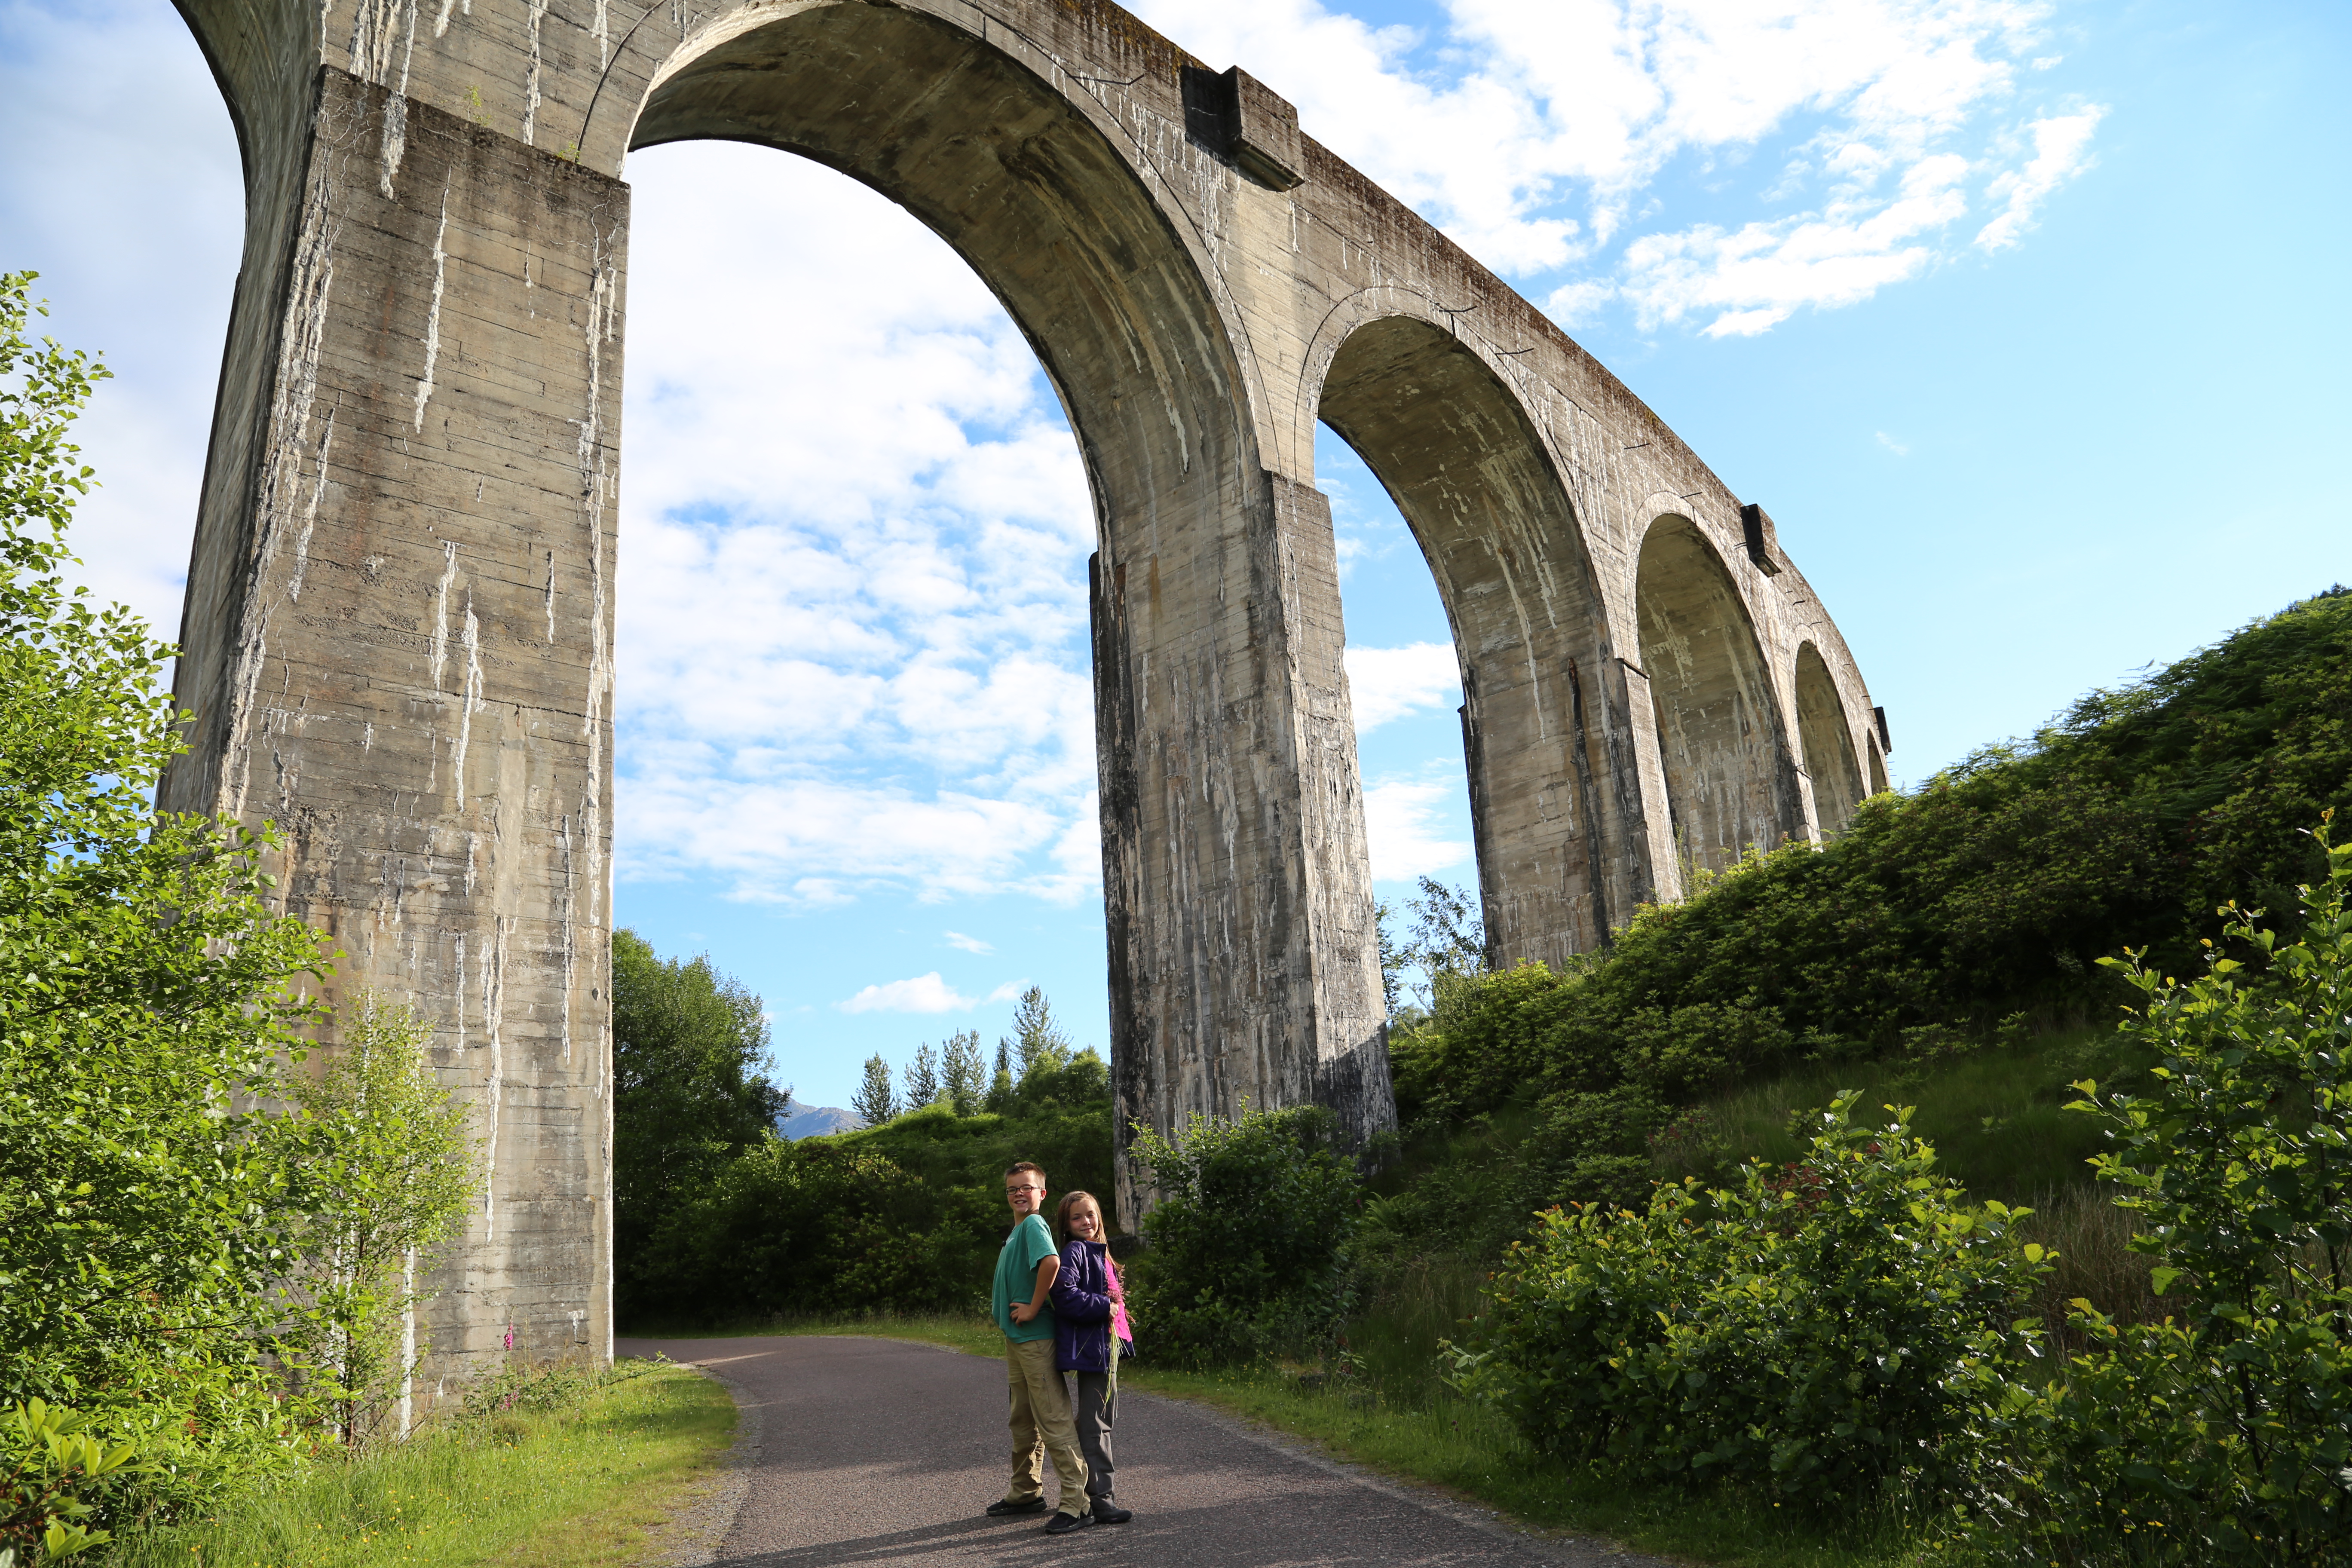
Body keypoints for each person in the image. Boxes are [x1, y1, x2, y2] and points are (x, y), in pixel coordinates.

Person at [986, 1161, 1093, 1534]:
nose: (1019, 1193)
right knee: (1022, 1420)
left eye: (1026, 1188)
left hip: (1035, 1339)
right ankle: (1026, 1492)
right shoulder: (1016, 1230)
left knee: (1052, 1419)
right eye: (1012, 1189)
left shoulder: (1033, 1225)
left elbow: (1051, 1261)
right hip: (1017, 1340)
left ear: (1041, 1194)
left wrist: (1033, 1306)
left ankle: (1078, 1504)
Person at [1049, 1190, 1133, 1524]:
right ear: (1066, 1226)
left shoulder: (1101, 1253)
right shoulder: (1076, 1251)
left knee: (1098, 1420)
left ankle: (1085, 1490)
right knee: (1097, 1424)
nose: (1086, 1222)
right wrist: (1104, 1307)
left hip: (1107, 1347)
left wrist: (1122, 1338)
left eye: (1091, 1215)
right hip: (1093, 1349)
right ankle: (1101, 1499)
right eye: (1077, 1217)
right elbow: (1064, 1294)